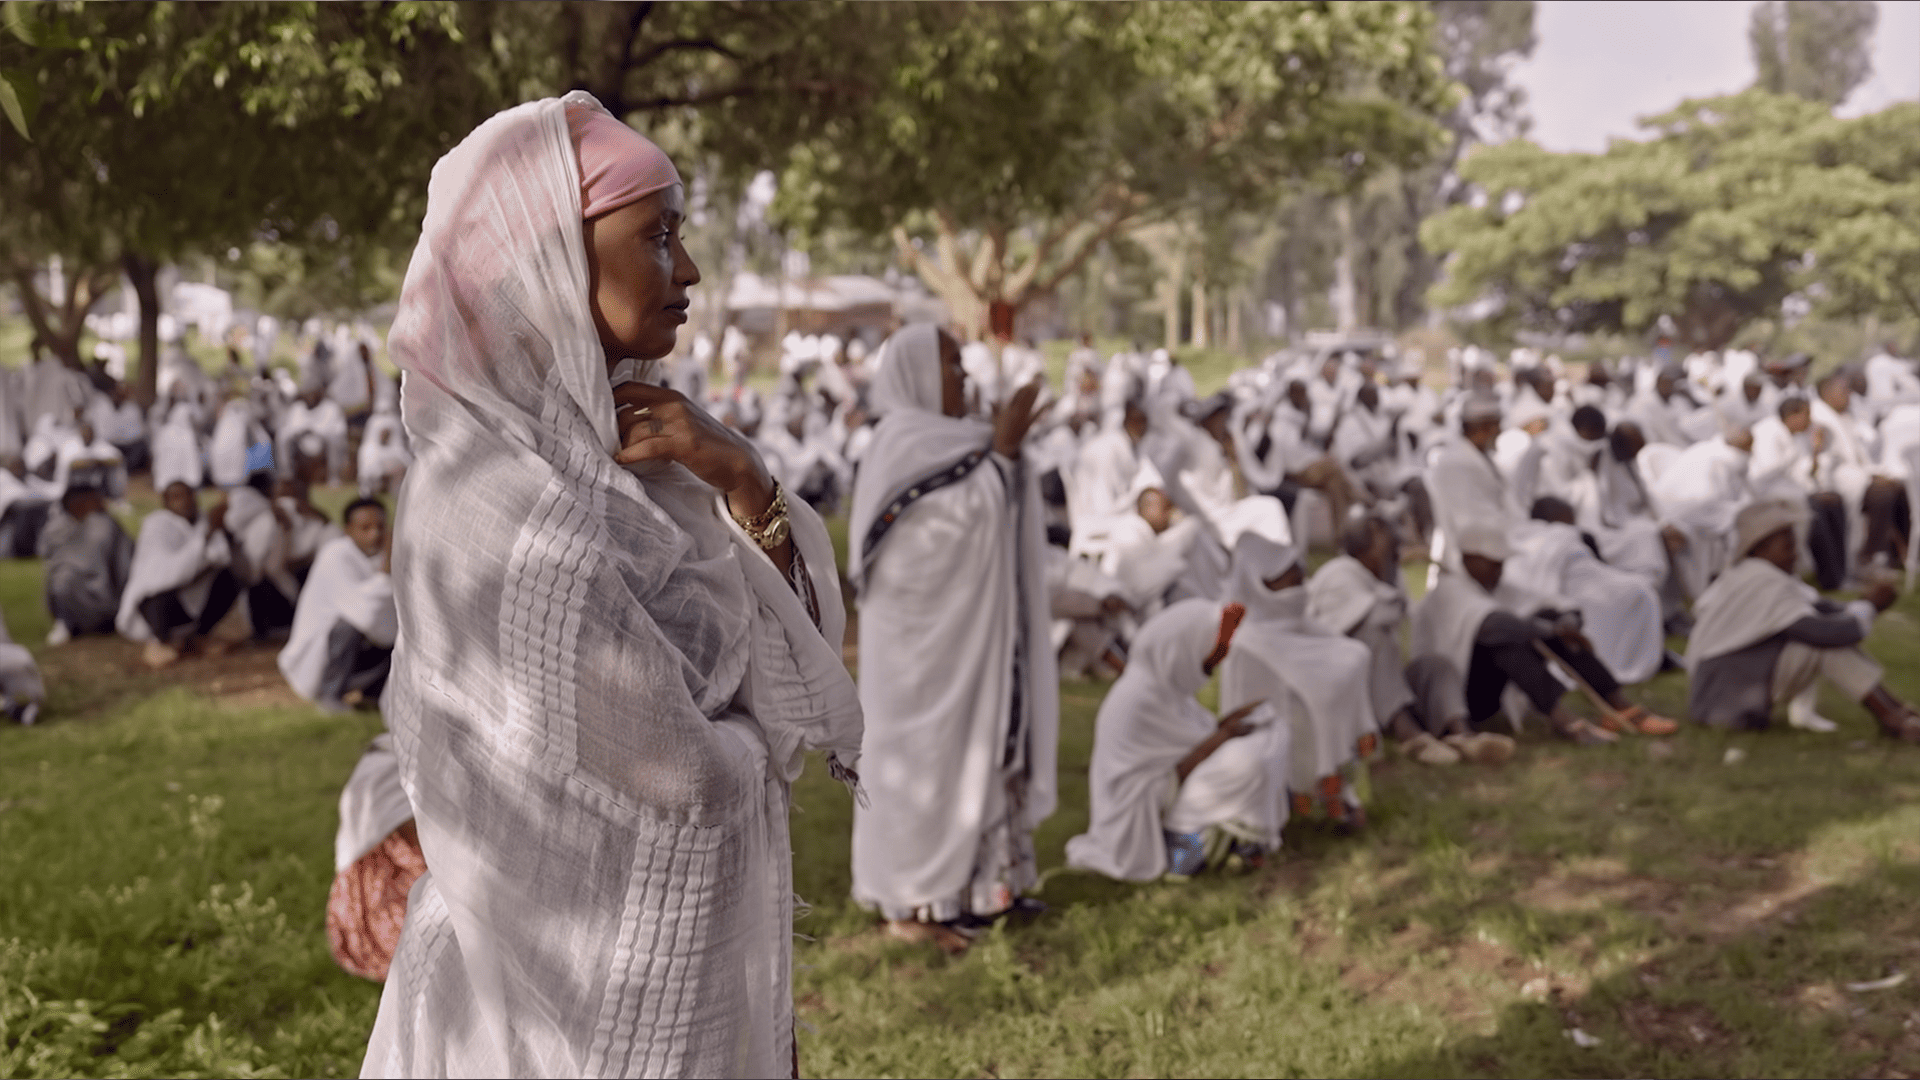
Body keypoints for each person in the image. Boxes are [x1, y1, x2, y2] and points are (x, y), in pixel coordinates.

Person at [361, 93, 861, 1079]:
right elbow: (680, 782)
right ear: (550, 260)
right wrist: (748, 736)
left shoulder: (643, 453)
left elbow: (775, 672)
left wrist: (743, 480)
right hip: (550, 1010)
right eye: (659, 236)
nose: (690, 269)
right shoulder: (497, 501)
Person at [847, 322, 1058, 955]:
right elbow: (927, 546)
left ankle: (985, 892)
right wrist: (1002, 457)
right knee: (925, 764)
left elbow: (985, 501)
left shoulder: (961, 441)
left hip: (973, 635)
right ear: (914, 372)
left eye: (963, 364)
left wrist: (1003, 457)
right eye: (949, 364)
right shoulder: (898, 443)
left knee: (982, 747)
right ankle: (913, 905)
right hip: (919, 655)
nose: (962, 377)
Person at [1066, 600, 1286, 880]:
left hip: (1164, 795)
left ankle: (1236, 839)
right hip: (1140, 816)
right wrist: (1225, 734)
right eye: (1206, 663)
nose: (1209, 671)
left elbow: (1200, 739)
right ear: (1180, 651)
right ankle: (1188, 845)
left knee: (1270, 737)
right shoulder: (1143, 699)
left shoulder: (1163, 689)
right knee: (1249, 761)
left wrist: (1229, 725)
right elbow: (1179, 770)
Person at [1411, 522, 1677, 744]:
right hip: (1456, 698)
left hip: (1486, 693)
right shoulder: (1448, 587)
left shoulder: (1495, 585)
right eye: (1493, 563)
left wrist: (1567, 621)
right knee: (1506, 640)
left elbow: (1552, 604)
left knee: (1547, 621)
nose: (1499, 570)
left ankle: (1618, 704)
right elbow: (1492, 625)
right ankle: (1566, 722)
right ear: (1470, 558)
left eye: (1501, 563)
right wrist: (1552, 630)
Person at [1685, 499, 1920, 740]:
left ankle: (1895, 713)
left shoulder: (1755, 573)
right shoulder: (1760, 580)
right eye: (1787, 546)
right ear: (1760, 548)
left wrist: (1864, 604)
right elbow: (1823, 632)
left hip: (1726, 684)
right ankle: (1894, 717)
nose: (1796, 553)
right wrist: (1870, 606)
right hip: (1721, 696)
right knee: (1821, 646)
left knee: (1822, 643)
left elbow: (1821, 609)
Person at [1306, 515, 1514, 767]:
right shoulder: (1338, 573)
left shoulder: (1382, 578)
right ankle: (1410, 736)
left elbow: (1403, 609)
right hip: (1348, 693)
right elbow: (1376, 616)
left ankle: (1462, 734)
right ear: (1366, 544)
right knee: (1373, 639)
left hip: (1382, 686)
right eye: (1384, 539)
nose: (1394, 545)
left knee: (1435, 666)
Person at [1217, 533, 1379, 828]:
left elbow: (1347, 653)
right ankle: (1296, 799)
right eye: (1289, 582)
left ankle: (1338, 794)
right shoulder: (1245, 645)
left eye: (1300, 581)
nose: (1298, 591)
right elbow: (1243, 724)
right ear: (1261, 586)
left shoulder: (1302, 626)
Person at [279, 497, 396, 712]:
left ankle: (373, 694)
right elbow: (365, 615)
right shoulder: (336, 555)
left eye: (380, 527)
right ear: (348, 530)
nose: (375, 534)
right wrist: (385, 572)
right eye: (366, 528)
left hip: (358, 650)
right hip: (318, 657)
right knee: (348, 626)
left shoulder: (379, 557)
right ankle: (330, 696)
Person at [116, 480, 240, 668]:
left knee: (229, 579)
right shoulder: (156, 525)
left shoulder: (202, 521)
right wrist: (207, 535)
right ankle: (161, 642)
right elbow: (169, 574)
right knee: (158, 594)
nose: (185, 501)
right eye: (177, 497)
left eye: (189, 495)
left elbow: (221, 557)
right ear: (165, 502)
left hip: (192, 596)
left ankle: (198, 637)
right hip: (158, 601)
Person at [39, 483, 133, 643]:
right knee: (64, 580)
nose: (102, 503)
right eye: (96, 499)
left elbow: (125, 562)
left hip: (110, 598)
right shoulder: (57, 529)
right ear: (78, 503)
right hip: (74, 594)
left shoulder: (106, 524)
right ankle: (67, 624)